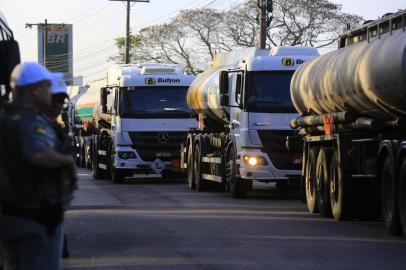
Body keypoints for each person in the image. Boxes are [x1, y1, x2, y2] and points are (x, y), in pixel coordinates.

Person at [0, 62, 76, 270]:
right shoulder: (31, 121)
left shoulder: (5, 116)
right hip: (35, 220)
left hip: (10, 215)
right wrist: (67, 160)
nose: (51, 92)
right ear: (34, 89)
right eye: (47, 86)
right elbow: (38, 155)